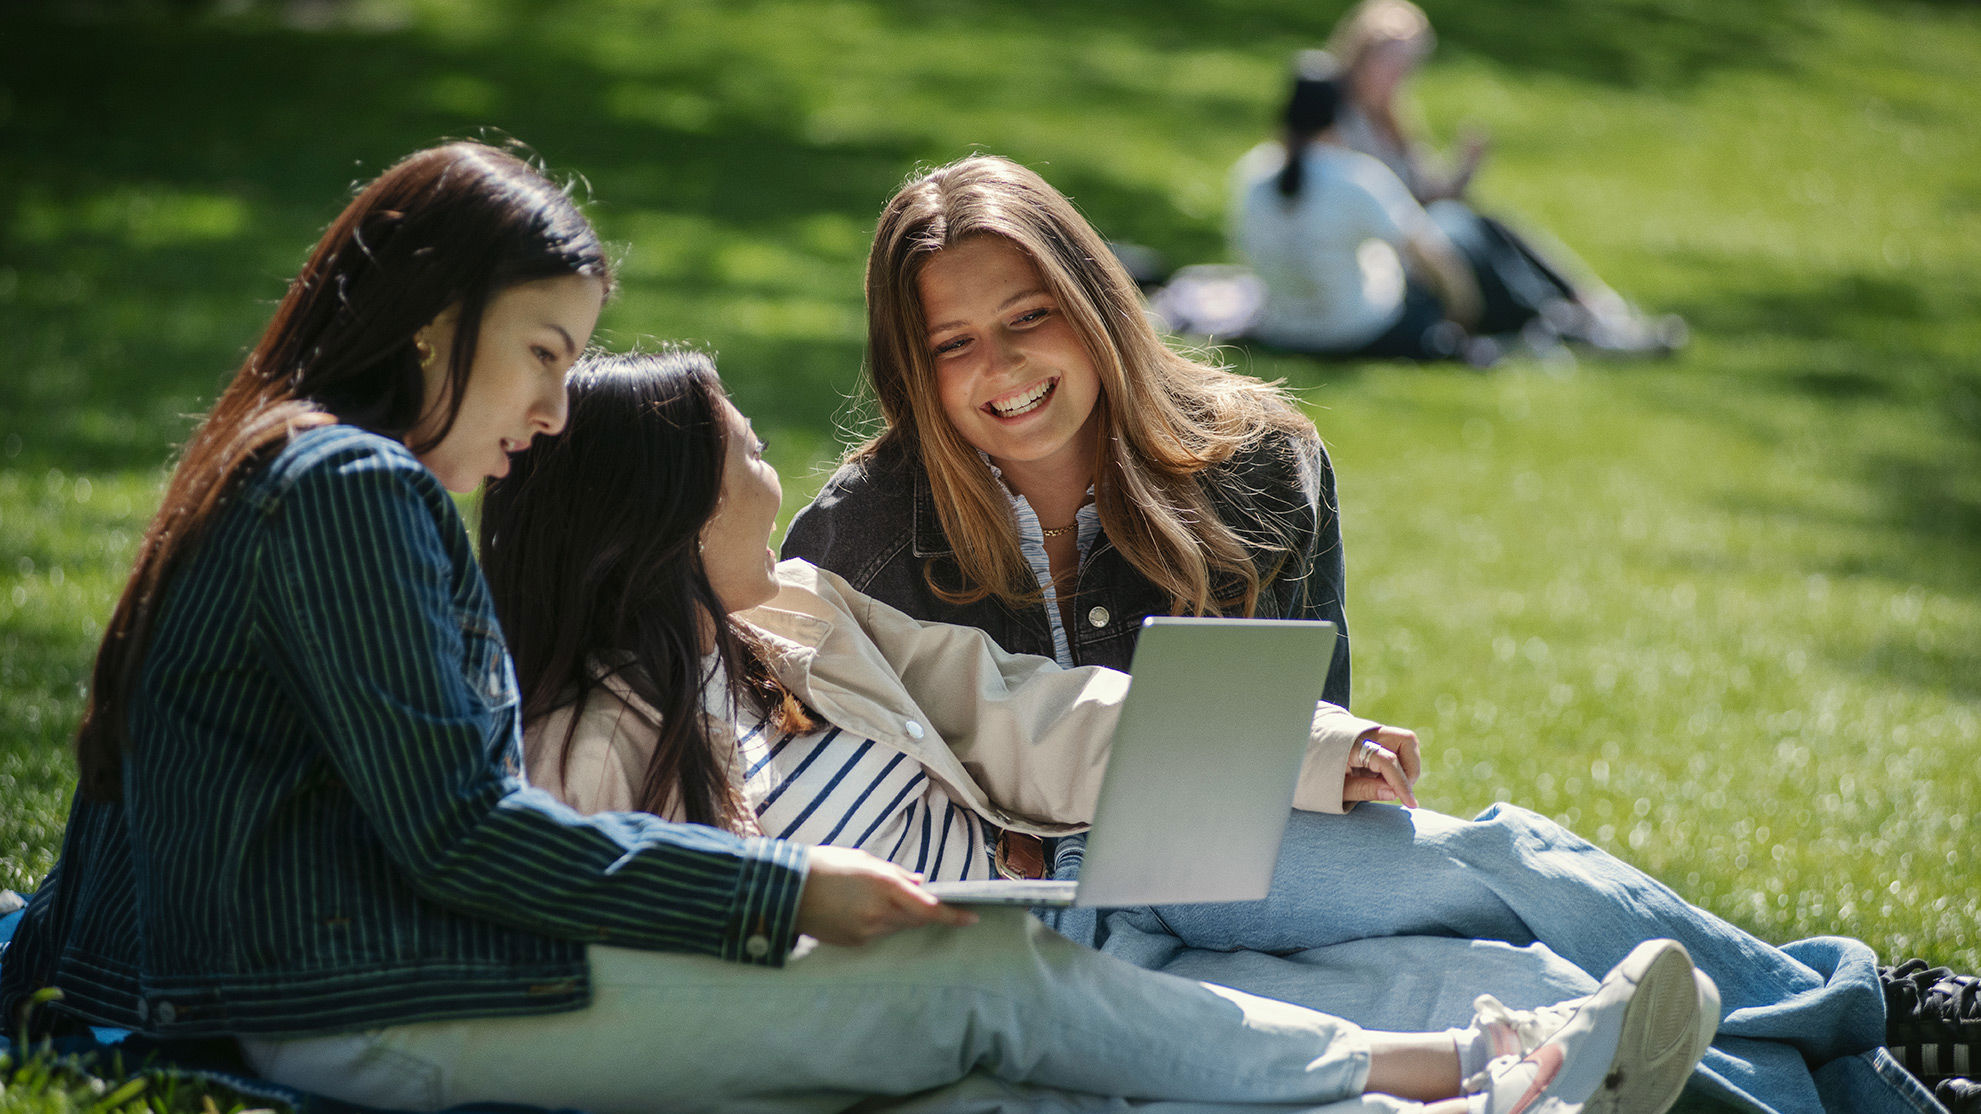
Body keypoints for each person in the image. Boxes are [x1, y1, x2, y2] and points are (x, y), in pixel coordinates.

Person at [0, 143, 1701, 1114]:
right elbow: (465, 826)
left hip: (356, 971)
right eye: (541, 354)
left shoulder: (299, 469)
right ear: (437, 323)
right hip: (358, 994)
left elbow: (1011, 697)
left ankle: (1500, 1058)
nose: (550, 408)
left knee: (1009, 1000)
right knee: (980, 1002)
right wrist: (789, 895)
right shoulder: (350, 487)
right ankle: (1456, 1075)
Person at [779, 153, 1952, 1114]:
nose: (1000, 367)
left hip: (1247, 852)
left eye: (1027, 316)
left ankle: (1866, 1019)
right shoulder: (853, 539)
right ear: (912, 370)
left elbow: (1308, 727)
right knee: (1503, 987)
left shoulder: (1256, 463)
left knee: (1497, 857)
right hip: (1048, 917)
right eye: (953, 344)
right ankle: (1889, 1082)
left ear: (1091, 305)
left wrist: (1330, 756)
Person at [480, 345, 1717, 1114]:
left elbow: (1018, 708)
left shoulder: (793, 610)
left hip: (1088, 883)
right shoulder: (589, 751)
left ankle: (1758, 1026)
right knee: (1410, 1028)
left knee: (1480, 905)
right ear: (670, 512)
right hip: (984, 995)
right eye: (745, 451)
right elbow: (678, 986)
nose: (769, 473)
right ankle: (1513, 1073)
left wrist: (1302, 747)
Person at [1324, 0, 1684, 354]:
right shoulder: (1333, 117)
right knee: (1463, 229)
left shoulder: (1393, 117)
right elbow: (1360, 198)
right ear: (1362, 53)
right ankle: (1571, 320)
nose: (1397, 74)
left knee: (1491, 225)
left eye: (1406, 65)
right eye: (1388, 61)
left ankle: (1592, 307)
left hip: (1417, 232)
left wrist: (1465, 171)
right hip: (1388, 248)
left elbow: (1425, 190)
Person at [1229, 50, 1493, 362]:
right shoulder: (1356, 176)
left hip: (1283, 328)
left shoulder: (1252, 171)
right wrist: (1464, 313)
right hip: (1355, 331)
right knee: (1452, 228)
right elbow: (1431, 255)